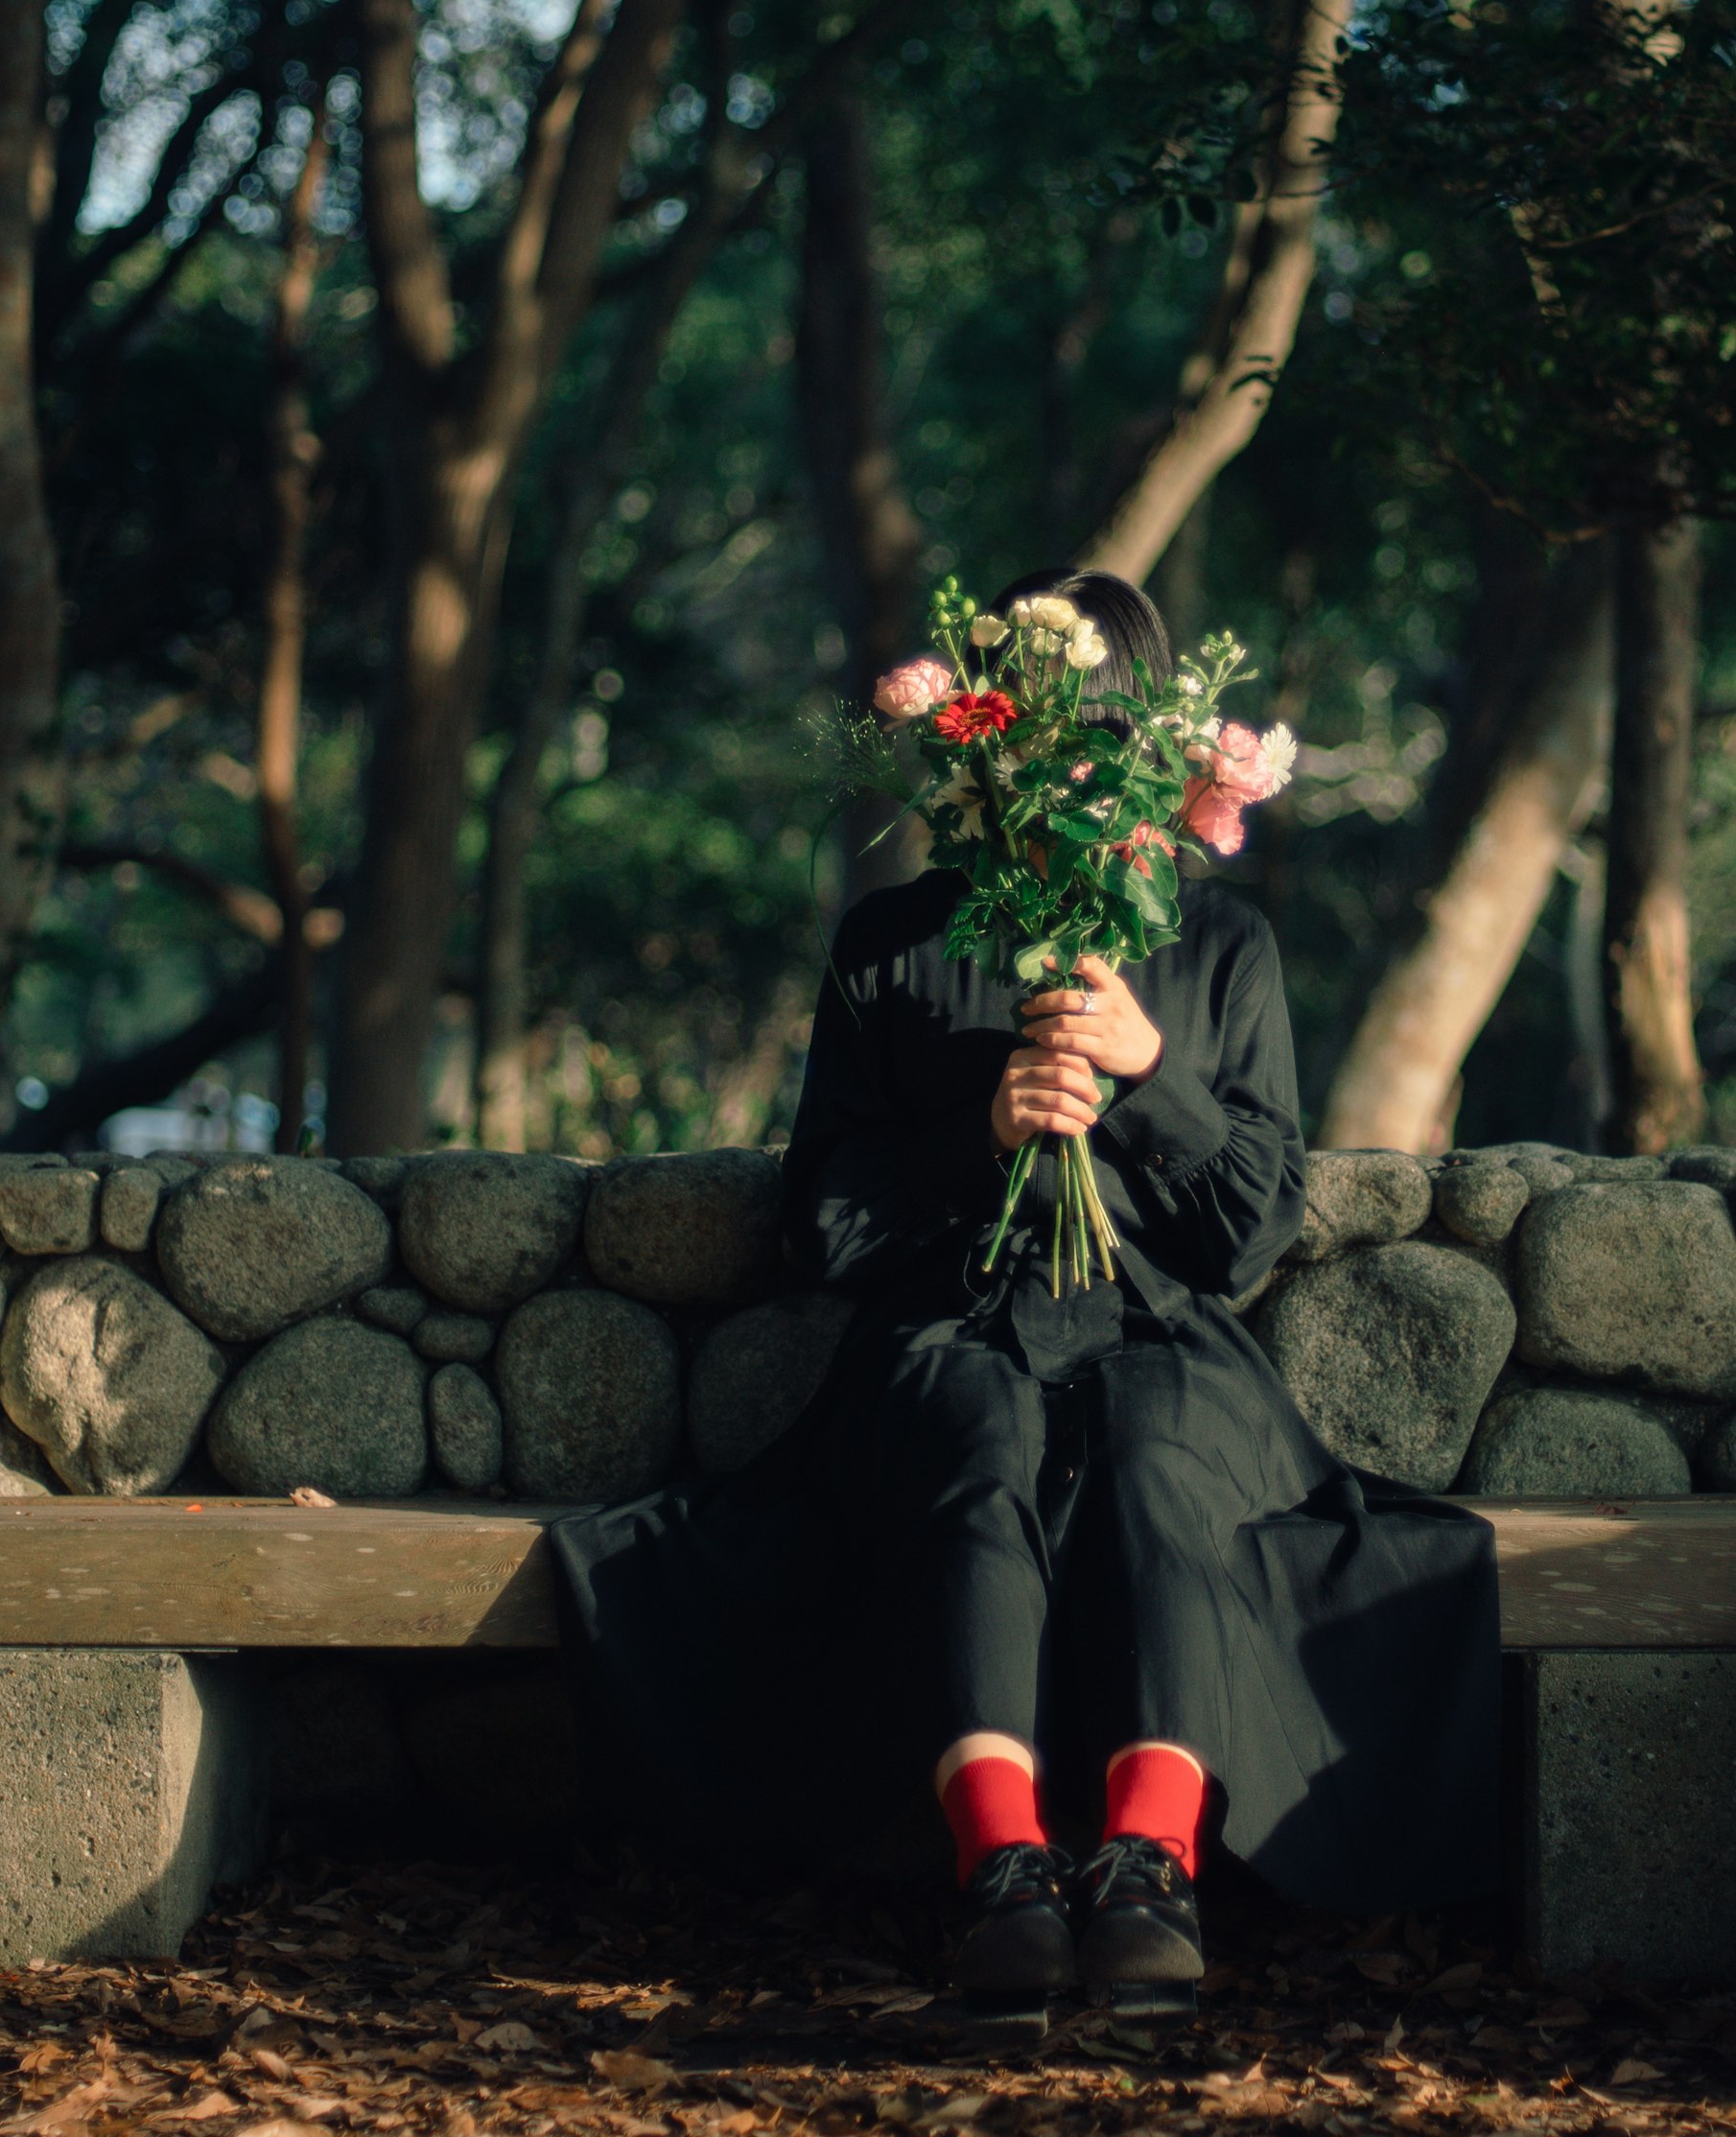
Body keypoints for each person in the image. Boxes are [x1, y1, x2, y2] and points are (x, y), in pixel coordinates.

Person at [546, 569, 1502, 2020]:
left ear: (1146, 742)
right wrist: (977, 1135)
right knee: (974, 1453)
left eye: (1094, 726)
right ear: (987, 736)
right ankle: (1001, 1872)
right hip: (951, 1321)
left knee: (1162, 1466)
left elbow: (1248, 1237)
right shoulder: (893, 944)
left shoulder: (1220, 947)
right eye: (1031, 720)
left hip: (1163, 1327)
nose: (1062, 752)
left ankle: (1146, 1867)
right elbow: (825, 1227)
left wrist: (1150, 1071)